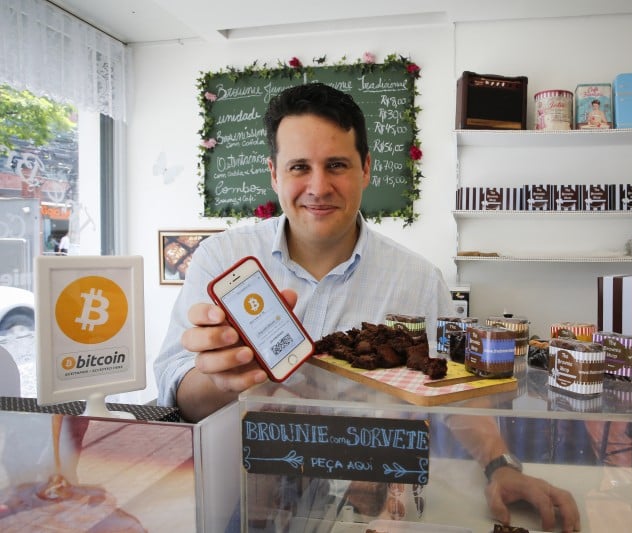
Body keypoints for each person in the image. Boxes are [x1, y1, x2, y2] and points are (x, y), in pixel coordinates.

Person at [154, 83, 580, 531]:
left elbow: (454, 397)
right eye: (300, 167)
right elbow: (176, 386)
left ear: (366, 170)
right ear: (274, 174)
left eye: (337, 165)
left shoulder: (416, 280)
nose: (318, 187)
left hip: (374, 507)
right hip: (248, 497)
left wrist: (501, 468)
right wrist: (223, 375)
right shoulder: (222, 262)